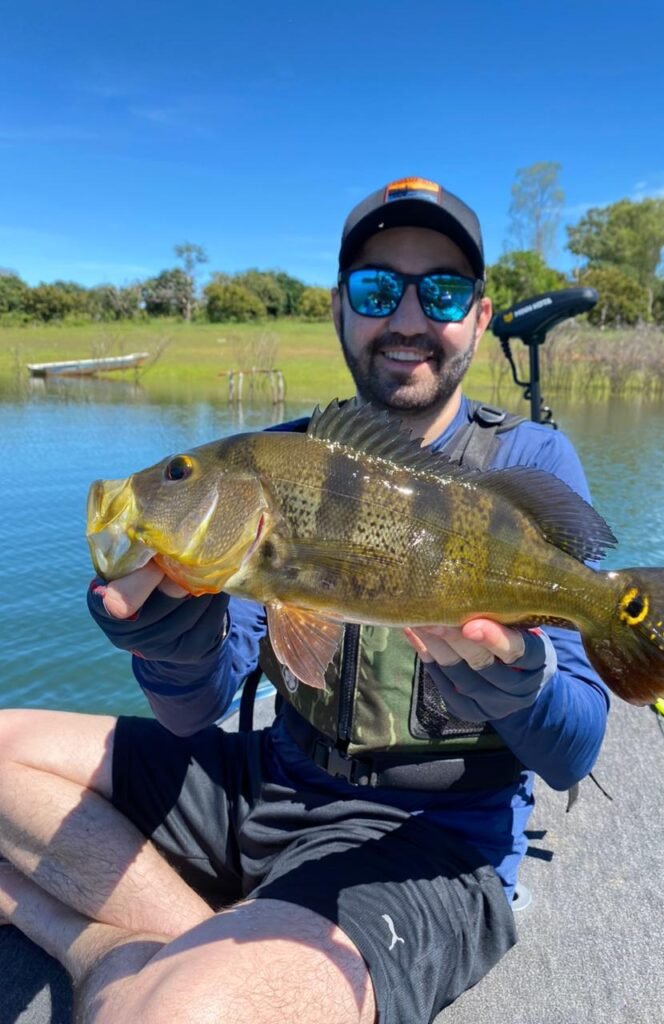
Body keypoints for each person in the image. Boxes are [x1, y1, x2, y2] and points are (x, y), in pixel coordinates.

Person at [0, 176, 609, 1024]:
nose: (405, 317)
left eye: (440, 289)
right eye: (374, 287)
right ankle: (136, 943)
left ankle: (124, 947)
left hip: (426, 843)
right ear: (338, 308)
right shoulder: (274, 459)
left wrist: (524, 681)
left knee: (184, 1014)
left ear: (478, 313)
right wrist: (173, 646)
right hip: (265, 781)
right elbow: (200, 707)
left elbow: (574, 749)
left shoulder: (530, 467)